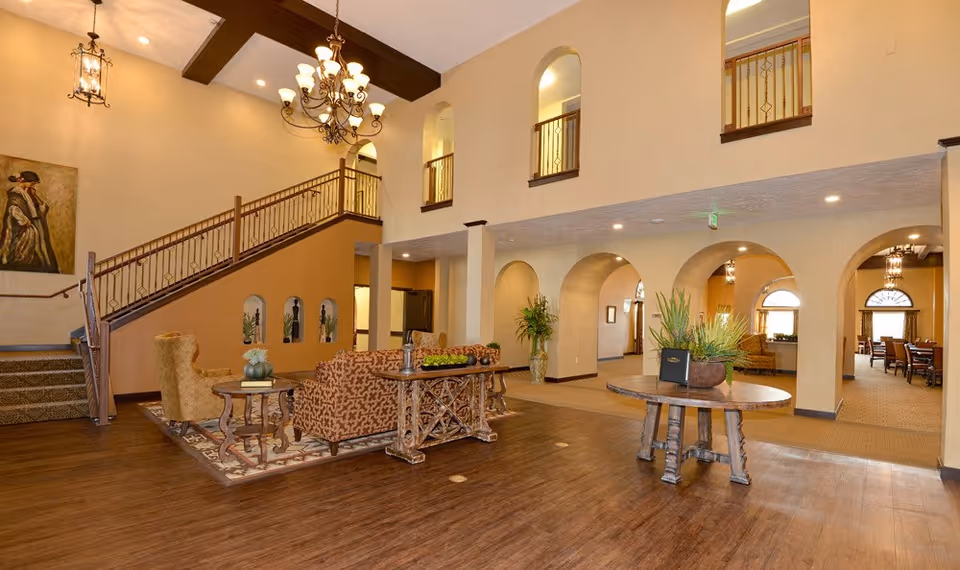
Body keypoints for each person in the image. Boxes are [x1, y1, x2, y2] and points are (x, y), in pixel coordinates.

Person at [1, 171, 59, 273]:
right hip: (24, 229)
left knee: (40, 251)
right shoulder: (16, 194)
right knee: (22, 254)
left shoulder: (28, 194)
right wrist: (24, 220)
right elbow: (13, 209)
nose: (33, 185)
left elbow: (43, 209)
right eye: (32, 183)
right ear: (24, 181)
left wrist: (35, 195)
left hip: (35, 226)